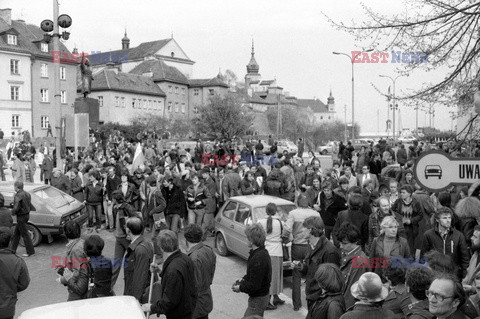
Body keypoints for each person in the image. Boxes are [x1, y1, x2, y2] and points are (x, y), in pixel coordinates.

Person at [142, 230, 197, 319]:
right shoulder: (185, 258)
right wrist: (160, 271)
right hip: (188, 309)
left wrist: (151, 307)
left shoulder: (173, 269)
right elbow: (178, 282)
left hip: (179, 314)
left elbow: (169, 302)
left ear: (161, 247)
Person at [293, 216, 341, 313]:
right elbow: (310, 269)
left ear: (311, 230)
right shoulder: (310, 245)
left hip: (320, 299)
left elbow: (331, 281)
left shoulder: (329, 250)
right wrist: (301, 267)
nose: (302, 231)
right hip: (311, 296)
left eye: (304, 229)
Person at [283, 194, 319, 311]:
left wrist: (286, 239)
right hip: (311, 246)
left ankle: (297, 304)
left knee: (296, 275)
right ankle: (312, 302)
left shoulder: (293, 213)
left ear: (298, 202)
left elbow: (287, 229)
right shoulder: (315, 214)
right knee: (312, 274)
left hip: (297, 246)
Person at [232, 223, 271, 318]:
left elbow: (254, 285)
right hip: (262, 297)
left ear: (252, 240)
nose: (246, 239)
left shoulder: (258, 258)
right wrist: (244, 279)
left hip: (258, 299)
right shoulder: (261, 252)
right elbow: (255, 275)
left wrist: (240, 288)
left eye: (247, 238)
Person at [421, 207, 470, 280]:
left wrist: (464, 277)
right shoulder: (428, 235)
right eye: (444, 218)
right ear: (437, 219)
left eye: (449, 218)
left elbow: (465, 258)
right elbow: (423, 258)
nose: (448, 220)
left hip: (453, 275)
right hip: (435, 275)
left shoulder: (458, 235)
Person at [184, 224, 216, 319]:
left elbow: (195, 287)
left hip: (196, 305)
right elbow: (210, 276)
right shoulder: (208, 250)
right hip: (205, 299)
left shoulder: (194, 258)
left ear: (186, 239)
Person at [258, 203, 285, 310]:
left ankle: (275, 296)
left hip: (265, 251)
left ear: (266, 211)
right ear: (275, 211)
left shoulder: (260, 222)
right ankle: (268, 301)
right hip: (277, 251)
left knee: (268, 276)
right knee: (275, 276)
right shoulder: (280, 223)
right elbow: (287, 235)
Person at [0, 227, 30, 319]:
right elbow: (24, 283)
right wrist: (11, 288)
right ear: (10, 242)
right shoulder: (18, 261)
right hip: (7, 308)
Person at [337, 223, 368, 309]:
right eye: (340, 243)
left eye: (344, 243)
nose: (341, 246)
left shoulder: (359, 262)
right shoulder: (347, 253)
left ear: (355, 242)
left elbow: (352, 292)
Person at [110, 191, 137, 289]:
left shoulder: (127, 207)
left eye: (112, 199)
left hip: (127, 239)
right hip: (119, 238)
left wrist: (130, 233)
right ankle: (109, 287)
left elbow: (137, 219)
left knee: (133, 262)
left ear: (115, 200)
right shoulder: (115, 208)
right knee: (116, 263)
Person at [123, 216, 154, 301]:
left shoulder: (140, 250)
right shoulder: (145, 243)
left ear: (128, 230)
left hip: (136, 296)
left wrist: (135, 299)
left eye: (126, 226)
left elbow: (139, 277)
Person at [56, 221, 88, 301]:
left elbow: (78, 272)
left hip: (77, 287)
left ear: (65, 233)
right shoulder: (80, 243)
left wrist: (63, 279)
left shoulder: (76, 249)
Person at [392, 184, 424, 253]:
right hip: (400, 227)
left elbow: (420, 215)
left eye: (404, 192)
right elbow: (392, 212)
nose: (401, 194)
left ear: (409, 193)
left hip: (411, 228)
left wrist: (411, 220)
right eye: (401, 192)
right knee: (400, 245)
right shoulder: (398, 202)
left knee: (410, 247)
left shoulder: (415, 203)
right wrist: (398, 220)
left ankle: (410, 261)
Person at [9, 180, 35, 257]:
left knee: (25, 234)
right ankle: (12, 250)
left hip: (21, 216)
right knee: (16, 233)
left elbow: (16, 207)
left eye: (14, 186)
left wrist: (12, 212)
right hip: (27, 215)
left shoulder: (18, 195)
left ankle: (30, 251)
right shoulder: (27, 194)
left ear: (17, 187)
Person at [463, 225, 480, 294]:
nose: (471, 238)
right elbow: (468, 276)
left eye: (475, 237)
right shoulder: (475, 255)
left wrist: (472, 289)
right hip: (470, 299)